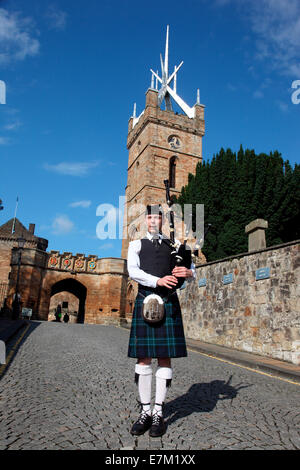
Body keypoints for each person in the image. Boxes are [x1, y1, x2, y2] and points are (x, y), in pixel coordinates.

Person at [127, 204, 195, 438]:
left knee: (164, 357)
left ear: (163, 221)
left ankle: (158, 412)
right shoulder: (136, 244)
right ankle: (145, 411)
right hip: (146, 299)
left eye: (158, 217)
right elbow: (132, 271)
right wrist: (158, 281)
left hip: (168, 303)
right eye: (150, 217)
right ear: (146, 220)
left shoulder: (173, 245)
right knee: (144, 358)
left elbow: (189, 266)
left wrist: (190, 272)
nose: (154, 221)